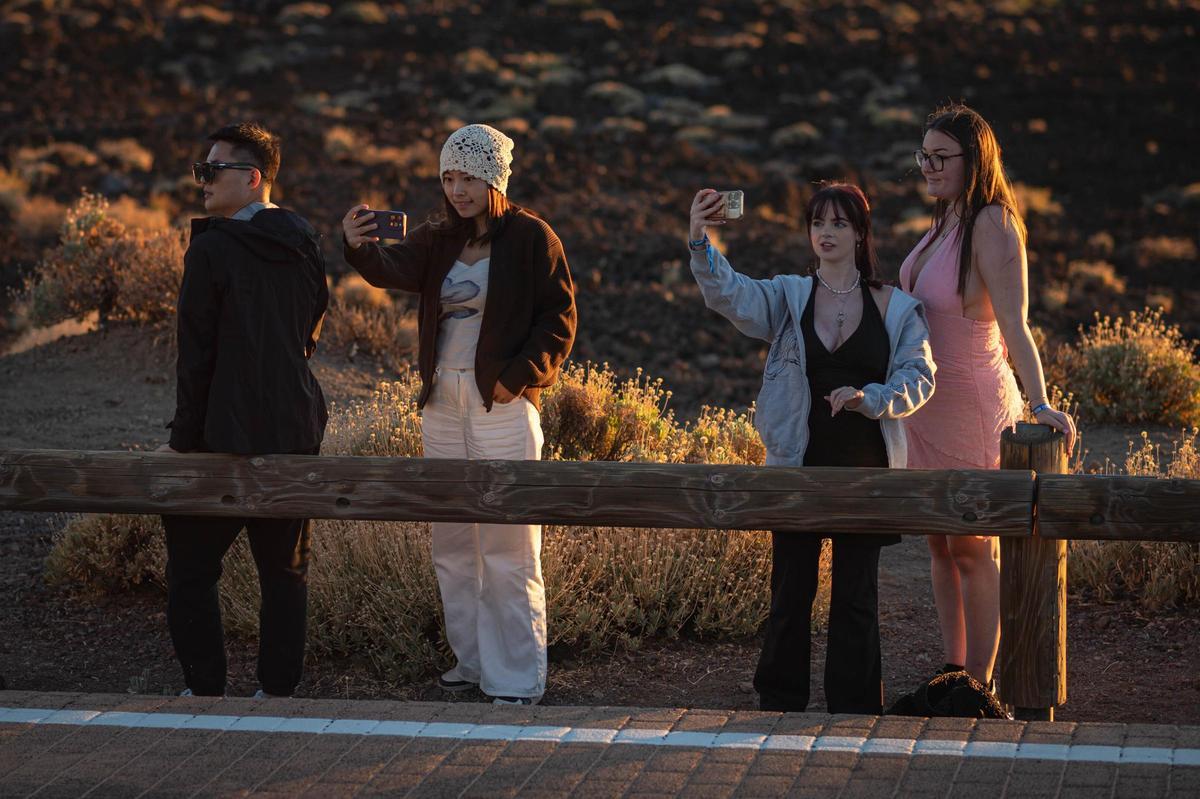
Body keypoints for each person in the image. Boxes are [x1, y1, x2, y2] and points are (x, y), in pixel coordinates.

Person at [341, 123, 576, 705]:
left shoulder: (533, 237)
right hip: (442, 404)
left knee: (508, 544)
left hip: (501, 406)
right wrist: (357, 246)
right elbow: (392, 270)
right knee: (451, 542)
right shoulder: (439, 236)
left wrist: (516, 379)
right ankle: (471, 662)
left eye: (468, 177)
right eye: (448, 178)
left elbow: (559, 319)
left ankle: (516, 678)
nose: (457, 190)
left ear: (494, 177)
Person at [687, 183, 935, 714]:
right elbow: (732, 294)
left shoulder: (895, 306)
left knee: (856, 598)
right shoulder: (789, 296)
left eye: (839, 223)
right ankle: (780, 704)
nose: (826, 233)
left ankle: (854, 709)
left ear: (860, 233)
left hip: (865, 471)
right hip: (796, 465)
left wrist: (870, 398)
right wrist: (700, 240)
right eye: (818, 223)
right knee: (790, 591)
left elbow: (919, 376)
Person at [899, 103, 1076, 689]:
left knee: (972, 546)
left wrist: (1040, 402)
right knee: (939, 542)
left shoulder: (993, 222)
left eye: (940, 157)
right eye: (923, 156)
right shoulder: (945, 218)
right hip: (927, 407)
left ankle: (979, 683)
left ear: (974, 160)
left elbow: (1015, 323)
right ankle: (953, 670)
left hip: (972, 404)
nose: (928, 167)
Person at [161, 122, 329, 698]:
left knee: (190, 569)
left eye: (213, 170)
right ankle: (278, 693)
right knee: (285, 571)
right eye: (201, 170)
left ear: (252, 178)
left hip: (222, 438)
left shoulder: (211, 249)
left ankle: (205, 691)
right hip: (295, 428)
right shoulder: (304, 240)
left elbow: (196, 355)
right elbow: (310, 330)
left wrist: (183, 443)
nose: (202, 181)